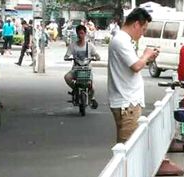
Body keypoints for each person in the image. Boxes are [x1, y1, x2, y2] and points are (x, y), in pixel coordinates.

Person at [107, 8, 159, 143]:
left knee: (126, 146)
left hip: (127, 102)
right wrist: (146, 55)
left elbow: (135, 65)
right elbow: (136, 66)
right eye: (143, 29)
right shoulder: (121, 40)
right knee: (129, 148)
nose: (143, 34)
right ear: (136, 24)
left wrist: (147, 58)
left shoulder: (123, 40)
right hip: (127, 103)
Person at [64, 24, 101, 109]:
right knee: (67, 77)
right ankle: (75, 89)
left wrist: (97, 58)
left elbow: (96, 55)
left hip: (87, 70)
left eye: (82, 33)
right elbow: (67, 55)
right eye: (79, 33)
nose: (80, 35)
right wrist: (67, 58)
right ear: (76, 34)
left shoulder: (90, 45)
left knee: (92, 87)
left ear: (85, 34)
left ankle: (92, 98)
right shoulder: (72, 45)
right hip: (76, 69)